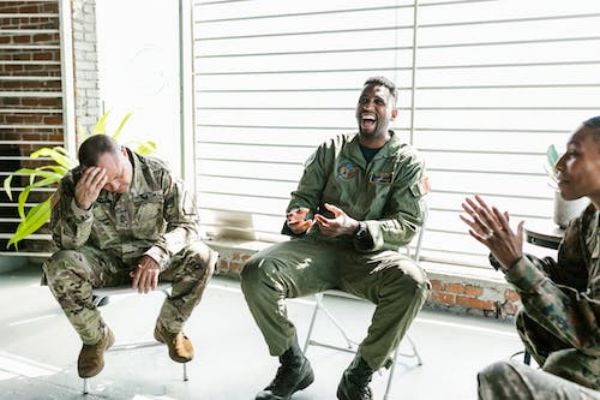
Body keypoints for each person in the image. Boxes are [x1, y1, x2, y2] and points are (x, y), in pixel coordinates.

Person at [241, 76, 431, 400]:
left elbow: (408, 223)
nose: (368, 106)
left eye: (378, 102)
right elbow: (303, 197)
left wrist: (357, 228)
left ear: (394, 114)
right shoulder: (332, 149)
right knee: (255, 272)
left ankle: (358, 376)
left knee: (413, 283)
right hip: (318, 250)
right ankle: (293, 364)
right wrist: (298, 218)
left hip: (371, 258)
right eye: (364, 100)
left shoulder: (406, 160)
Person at [43, 134, 218, 379]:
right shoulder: (73, 184)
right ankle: (96, 338)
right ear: (85, 172)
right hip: (103, 264)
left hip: (154, 260)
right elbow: (66, 245)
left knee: (203, 256)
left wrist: (157, 254)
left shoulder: (158, 173)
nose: (115, 186)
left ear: (123, 153)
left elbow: (188, 225)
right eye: (106, 183)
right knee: (58, 266)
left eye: (118, 176)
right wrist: (81, 206)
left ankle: (170, 328)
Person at [460, 116, 600, 399]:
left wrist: (517, 266)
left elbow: (594, 330)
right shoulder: (589, 219)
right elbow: (564, 278)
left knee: (502, 377)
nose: (559, 165)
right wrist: (510, 257)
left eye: (573, 154)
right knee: (532, 321)